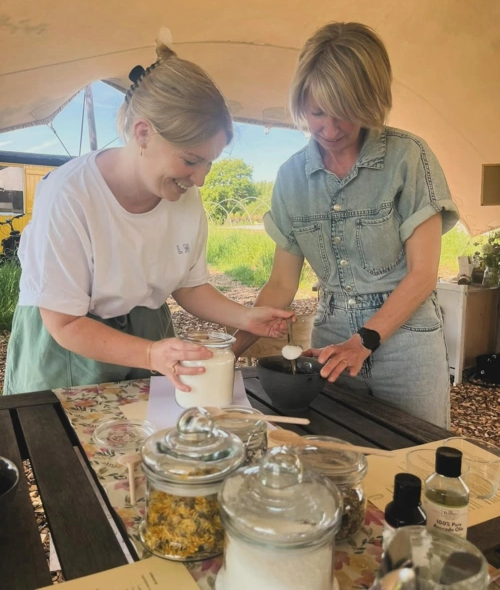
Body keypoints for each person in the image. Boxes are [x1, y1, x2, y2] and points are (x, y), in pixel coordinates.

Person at [4, 41, 293, 395]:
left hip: (147, 337)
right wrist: (150, 353)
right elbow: (63, 322)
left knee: (152, 427)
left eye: (208, 163)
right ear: (143, 134)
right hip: (67, 347)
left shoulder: (185, 197)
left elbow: (188, 286)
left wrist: (246, 317)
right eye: (191, 160)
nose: (200, 179)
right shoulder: (69, 195)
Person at [233, 22, 459, 428]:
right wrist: (228, 350)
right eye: (317, 113)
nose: (331, 130)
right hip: (332, 340)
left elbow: (423, 273)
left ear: (371, 102)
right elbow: (281, 284)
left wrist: (364, 341)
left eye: (346, 113)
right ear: (301, 101)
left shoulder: (408, 157)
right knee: (336, 449)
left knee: (418, 453)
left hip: (408, 342)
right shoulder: (290, 178)